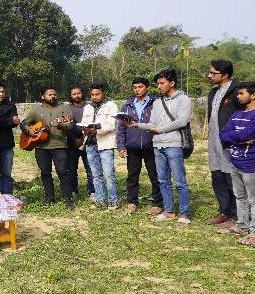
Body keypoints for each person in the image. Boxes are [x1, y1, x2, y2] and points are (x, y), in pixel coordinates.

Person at [127, 69, 193, 224]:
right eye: (158, 84)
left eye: (162, 83)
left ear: (172, 83)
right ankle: (169, 210)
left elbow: (181, 121)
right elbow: (153, 124)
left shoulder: (183, 100)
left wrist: (160, 129)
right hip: (158, 145)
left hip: (174, 144)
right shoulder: (157, 102)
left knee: (179, 181)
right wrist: (136, 124)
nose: (159, 86)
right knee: (163, 180)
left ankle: (184, 213)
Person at [218, 82, 255, 245]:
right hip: (235, 160)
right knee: (240, 196)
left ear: (253, 95)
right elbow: (223, 135)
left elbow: (245, 134)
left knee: (254, 199)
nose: (238, 96)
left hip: (251, 163)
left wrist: (236, 136)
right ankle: (242, 225)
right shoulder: (236, 114)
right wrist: (239, 137)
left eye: (241, 93)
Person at [20, 86, 75, 210]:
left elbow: (70, 124)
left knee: (63, 172)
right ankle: (49, 198)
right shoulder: (36, 110)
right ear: (43, 96)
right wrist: (29, 131)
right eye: (49, 94)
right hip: (41, 147)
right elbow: (24, 123)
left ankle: (68, 200)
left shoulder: (64, 108)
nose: (52, 96)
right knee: (45, 173)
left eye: (54, 94)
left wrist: (61, 125)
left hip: (59, 145)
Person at [116, 77, 163, 215]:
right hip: (133, 146)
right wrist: (121, 146)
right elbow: (121, 128)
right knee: (132, 176)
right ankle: (132, 202)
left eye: (140, 87)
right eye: (135, 87)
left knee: (155, 175)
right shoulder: (127, 106)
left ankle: (157, 203)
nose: (137, 90)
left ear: (147, 88)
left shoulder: (156, 104)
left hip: (151, 145)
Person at [206, 59, 241, 228]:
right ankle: (224, 211)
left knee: (230, 176)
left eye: (213, 73)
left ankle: (236, 214)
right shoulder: (214, 92)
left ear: (225, 75)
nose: (209, 76)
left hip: (230, 141)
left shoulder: (237, 91)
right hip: (214, 140)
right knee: (217, 175)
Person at [80, 83, 119, 209]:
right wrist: (84, 130)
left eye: (97, 94)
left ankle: (113, 200)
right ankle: (100, 200)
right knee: (95, 175)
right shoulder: (87, 107)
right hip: (90, 144)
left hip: (105, 144)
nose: (95, 97)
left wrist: (97, 131)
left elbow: (112, 125)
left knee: (108, 174)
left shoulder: (111, 106)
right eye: (92, 95)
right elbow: (84, 123)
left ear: (103, 94)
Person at [68, 87, 95, 200]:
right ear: (71, 96)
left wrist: (85, 138)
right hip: (72, 143)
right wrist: (74, 140)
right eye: (74, 94)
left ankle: (92, 191)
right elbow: (66, 127)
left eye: (79, 93)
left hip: (88, 141)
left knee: (90, 169)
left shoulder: (90, 107)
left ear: (82, 93)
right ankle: (73, 191)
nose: (77, 95)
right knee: (72, 169)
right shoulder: (67, 108)